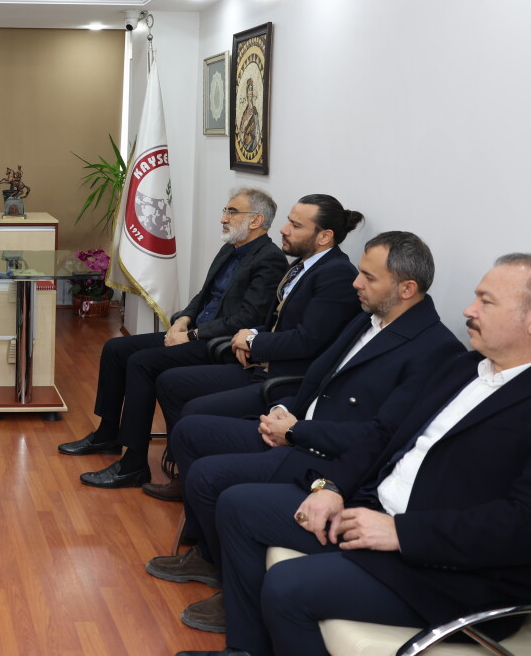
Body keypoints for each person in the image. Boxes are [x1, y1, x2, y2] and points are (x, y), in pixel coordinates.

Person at [177, 254, 531, 656]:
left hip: (447, 570)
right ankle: (244, 649)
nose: (468, 309)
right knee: (238, 506)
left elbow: (520, 525)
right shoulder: (465, 367)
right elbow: (384, 434)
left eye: (486, 301)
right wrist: (333, 487)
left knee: (287, 586)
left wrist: (400, 532)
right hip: (372, 511)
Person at [147, 232, 464, 634]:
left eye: (369, 277)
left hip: (324, 456)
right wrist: (284, 412)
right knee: (190, 430)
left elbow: (378, 439)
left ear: (406, 288)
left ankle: (233, 589)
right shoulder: (369, 317)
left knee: (210, 479)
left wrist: (298, 432)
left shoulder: (435, 350)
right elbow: (318, 378)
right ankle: (211, 557)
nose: (356, 282)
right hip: (297, 428)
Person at [60, 188, 288, 489]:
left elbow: (246, 319)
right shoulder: (230, 249)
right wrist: (182, 319)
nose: (223, 218)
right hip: (195, 332)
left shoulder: (270, 260)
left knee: (142, 363)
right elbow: (204, 295)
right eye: (225, 210)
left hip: (219, 345)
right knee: (116, 348)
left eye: (232, 212)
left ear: (256, 220)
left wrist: (191, 335)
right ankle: (107, 434)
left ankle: (133, 464)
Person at [142, 194, 364, 501]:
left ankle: (198, 486)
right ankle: (187, 474)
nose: (283, 229)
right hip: (260, 364)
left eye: (295, 225)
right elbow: (278, 321)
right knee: (170, 382)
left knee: (194, 410)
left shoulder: (336, 274)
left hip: (284, 379)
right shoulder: (304, 265)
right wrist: (251, 334)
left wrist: (252, 341)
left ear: (324, 236)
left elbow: (307, 340)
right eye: (288, 221)